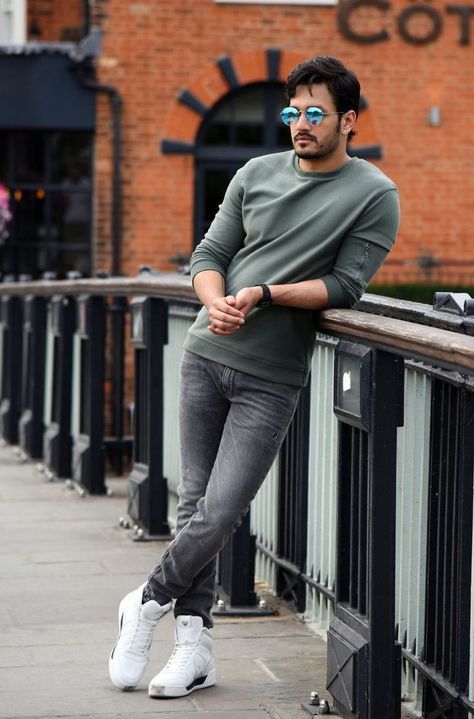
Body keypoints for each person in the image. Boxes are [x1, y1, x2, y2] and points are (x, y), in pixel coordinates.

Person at [109, 55, 400, 700]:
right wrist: (214, 299)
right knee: (194, 506)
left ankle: (147, 601)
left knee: (221, 507)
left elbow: (345, 287)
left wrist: (264, 293)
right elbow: (209, 256)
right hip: (206, 353)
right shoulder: (255, 172)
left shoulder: (373, 193)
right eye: (293, 112)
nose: (300, 123)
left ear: (349, 120)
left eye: (316, 113)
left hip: (272, 373)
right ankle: (194, 648)